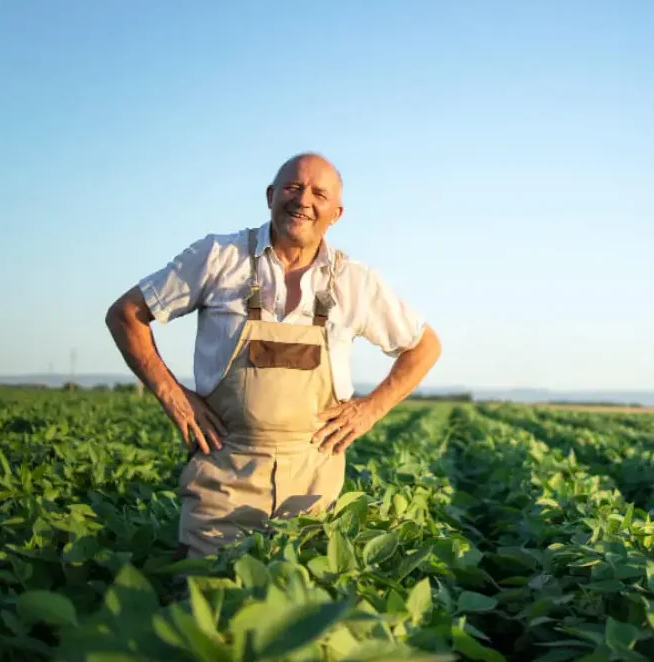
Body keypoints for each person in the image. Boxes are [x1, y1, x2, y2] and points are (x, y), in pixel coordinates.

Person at [105, 152, 441, 559]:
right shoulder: (219, 258)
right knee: (205, 606)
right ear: (270, 196)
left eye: (319, 193)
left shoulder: (354, 281)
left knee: (300, 610)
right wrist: (173, 395)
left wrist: (370, 409)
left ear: (336, 213)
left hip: (312, 495)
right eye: (293, 187)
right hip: (223, 486)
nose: (303, 200)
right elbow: (126, 315)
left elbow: (424, 346)